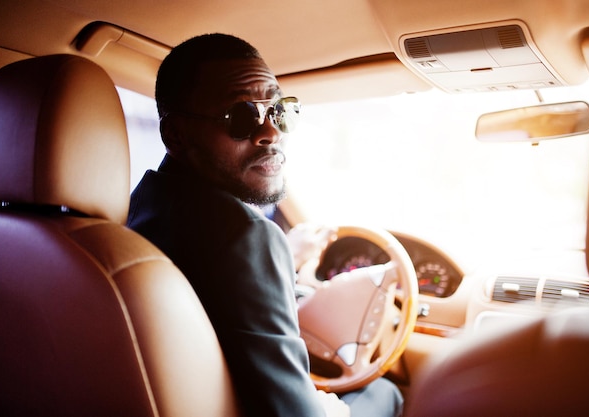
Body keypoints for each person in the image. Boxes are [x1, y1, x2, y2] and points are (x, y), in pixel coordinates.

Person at [127, 33, 404, 417]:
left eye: (278, 110)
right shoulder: (244, 236)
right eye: (240, 116)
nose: (270, 132)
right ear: (176, 134)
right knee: (386, 394)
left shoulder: (138, 207)